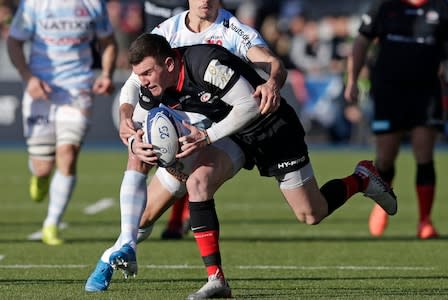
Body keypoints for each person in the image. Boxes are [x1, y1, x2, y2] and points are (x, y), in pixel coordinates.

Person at [112, 33, 397, 298]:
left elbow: (249, 105)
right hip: (234, 135)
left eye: (148, 73)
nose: (144, 82)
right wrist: (136, 142)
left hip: (271, 127)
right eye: (139, 76)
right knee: (198, 183)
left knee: (311, 213)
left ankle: (362, 178)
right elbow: (142, 123)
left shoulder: (206, 65)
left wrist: (207, 136)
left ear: (170, 63)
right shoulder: (153, 86)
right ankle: (217, 280)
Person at [85, 0, 287, 292]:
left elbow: (272, 64)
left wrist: (273, 81)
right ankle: (122, 248)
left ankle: (213, 278)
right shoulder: (169, 30)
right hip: (184, 123)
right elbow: (134, 79)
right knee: (140, 167)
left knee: (309, 212)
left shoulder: (232, 30)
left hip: (229, 131)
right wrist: (125, 118)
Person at [7, 0, 118, 245]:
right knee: (43, 167)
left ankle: (52, 223)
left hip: (77, 90)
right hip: (41, 90)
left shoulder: (92, 4)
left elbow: (108, 42)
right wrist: (28, 78)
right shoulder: (34, 4)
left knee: (67, 154)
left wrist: (107, 74)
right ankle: (41, 176)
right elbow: (14, 41)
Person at [344, 0, 448, 239]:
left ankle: (425, 221)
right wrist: (352, 80)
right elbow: (361, 41)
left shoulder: (441, 8)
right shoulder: (384, 6)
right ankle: (381, 203)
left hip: (426, 93)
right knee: (386, 157)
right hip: (389, 92)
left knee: (424, 154)